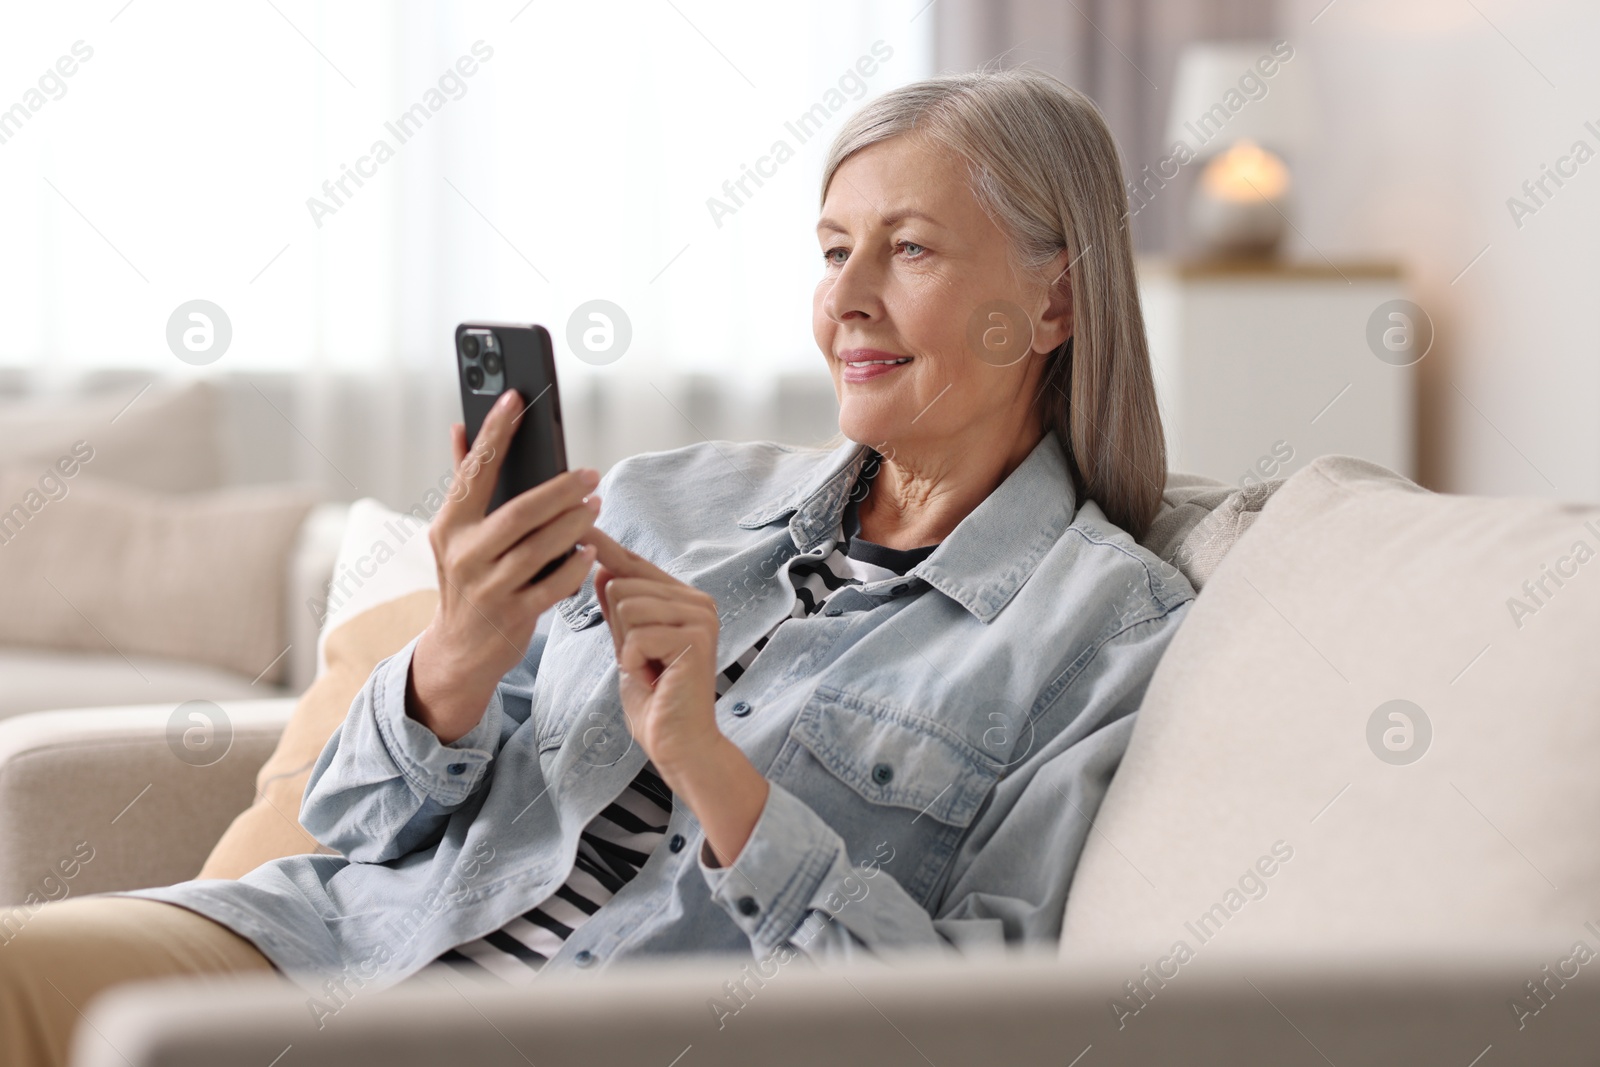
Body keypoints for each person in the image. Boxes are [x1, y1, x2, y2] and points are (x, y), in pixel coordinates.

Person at [0, 67, 1193, 1064]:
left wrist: (710, 769)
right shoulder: (669, 495)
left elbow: (978, 1022)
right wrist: (458, 652)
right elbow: (355, 821)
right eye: (833, 250)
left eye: (910, 249)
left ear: (1053, 304)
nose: (847, 300)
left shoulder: (1108, 625)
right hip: (334, 944)